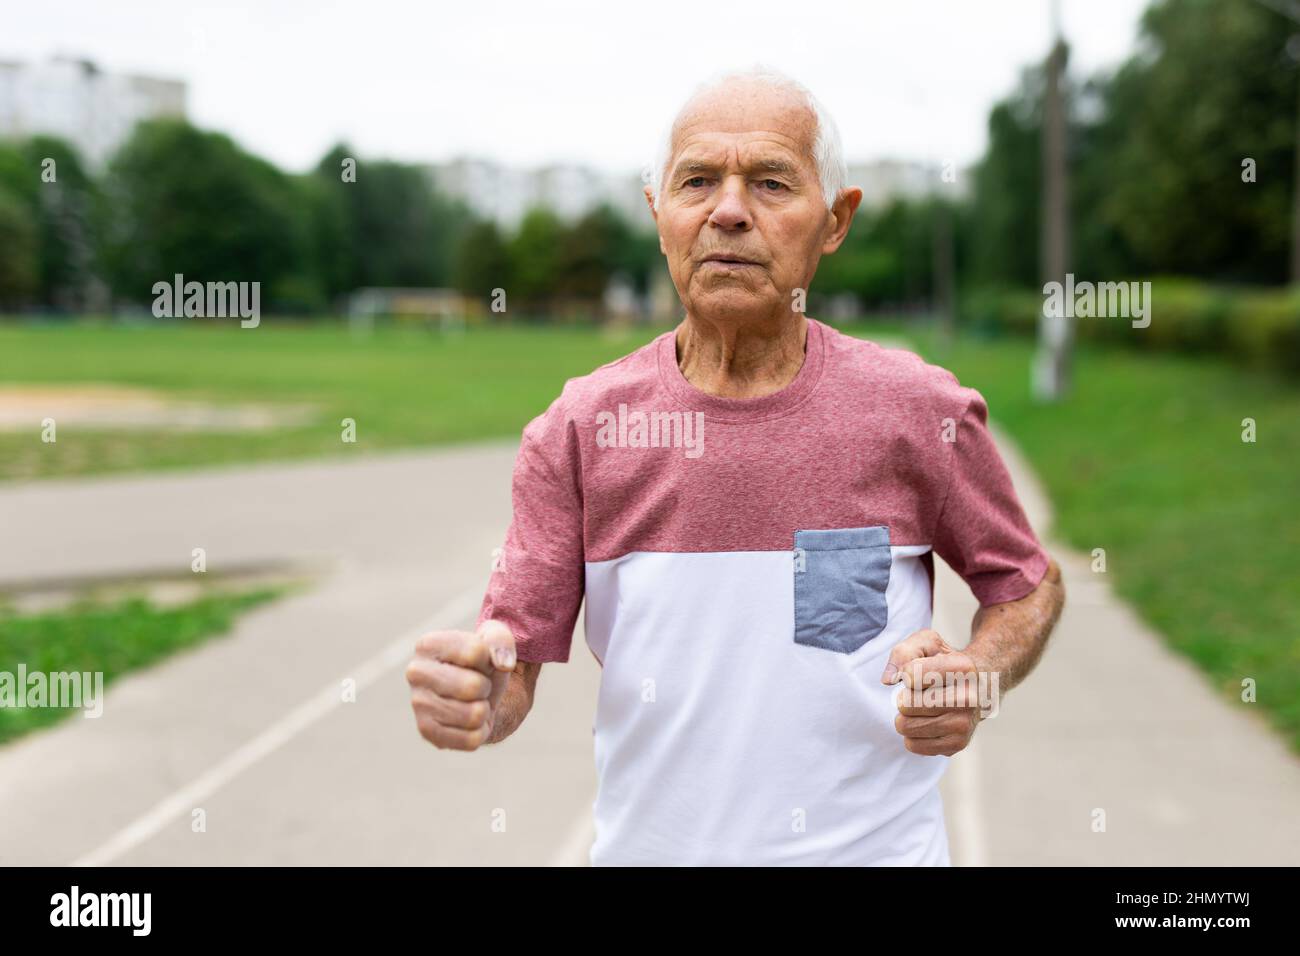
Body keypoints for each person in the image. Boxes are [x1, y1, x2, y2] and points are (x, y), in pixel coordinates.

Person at [406, 65, 1066, 865]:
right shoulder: (581, 428)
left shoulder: (917, 410)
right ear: (659, 214)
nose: (727, 211)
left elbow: (1027, 586)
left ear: (835, 220)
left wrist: (974, 674)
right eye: (696, 182)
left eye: (770, 182)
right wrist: (477, 692)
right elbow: (512, 665)